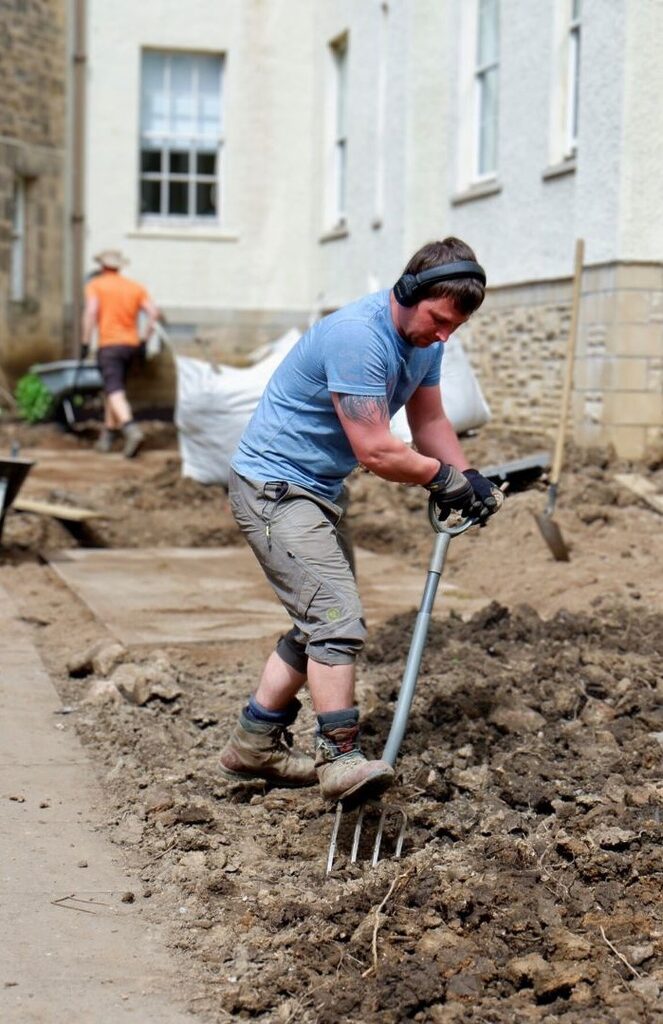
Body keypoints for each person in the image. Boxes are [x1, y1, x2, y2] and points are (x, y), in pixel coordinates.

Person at [219, 237, 504, 805]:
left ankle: (254, 744)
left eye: (455, 326)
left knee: (317, 619)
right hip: (274, 490)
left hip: (316, 491)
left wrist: (467, 478)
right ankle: (338, 755)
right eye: (439, 319)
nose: (445, 334)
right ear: (408, 291)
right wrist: (439, 479)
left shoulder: (426, 343)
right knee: (334, 619)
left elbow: (430, 423)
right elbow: (376, 449)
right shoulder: (357, 338)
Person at [81, 249, 159, 458]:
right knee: (114, 389)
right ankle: (107, 435)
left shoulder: (96, 286)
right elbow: (153, 313)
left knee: (114, 389)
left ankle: (130, 428)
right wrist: (144, 338)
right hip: (131, 345)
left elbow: (90, 312)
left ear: (102, 267)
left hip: (110, 345)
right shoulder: (135, 287)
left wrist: (86, 341)